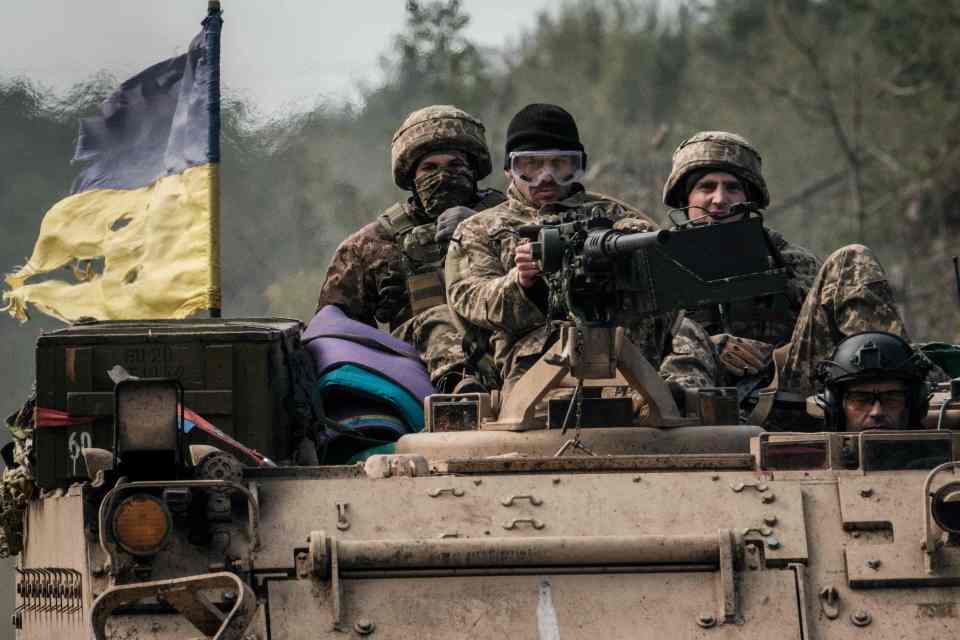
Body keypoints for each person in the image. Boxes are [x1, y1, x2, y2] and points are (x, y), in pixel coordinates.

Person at [446, 103, 717, 398]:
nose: (546, 177)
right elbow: (469, 300)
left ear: (578, 167)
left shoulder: (617, 215)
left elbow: (665, 286)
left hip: (632, 363)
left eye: (560, 164)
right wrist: (522, 283)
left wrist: (621, 257)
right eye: (532, 165)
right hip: (536, 376)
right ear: (510, 170)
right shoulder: (479, 229)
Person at [317, 105, 505, 391]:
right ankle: (459, 386)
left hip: (506, 351)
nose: (443, 177)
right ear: (411, 177)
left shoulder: (509, 219)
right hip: (415, 375)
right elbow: (333, 331)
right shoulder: (372, 244)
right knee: (437, 319)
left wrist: (482, 228)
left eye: (455, 165)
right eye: (429, 168)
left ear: (473, 169)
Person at [662, 131, 822, 384]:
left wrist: (777, 356)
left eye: (733, 188)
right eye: (706, 186)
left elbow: (821, 341)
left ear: (749, 199)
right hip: (689, 407)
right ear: (686, 197)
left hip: (779, 397)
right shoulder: (655, 264)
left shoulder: (792, 262)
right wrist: (707, 346)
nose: (720, 199)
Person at [814, 331, 932, 431]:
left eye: (892, 398)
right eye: (860, 399)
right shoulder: (817, 458)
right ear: (837, 407)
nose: (877, 412)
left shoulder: (944, 457)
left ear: (914, 405)